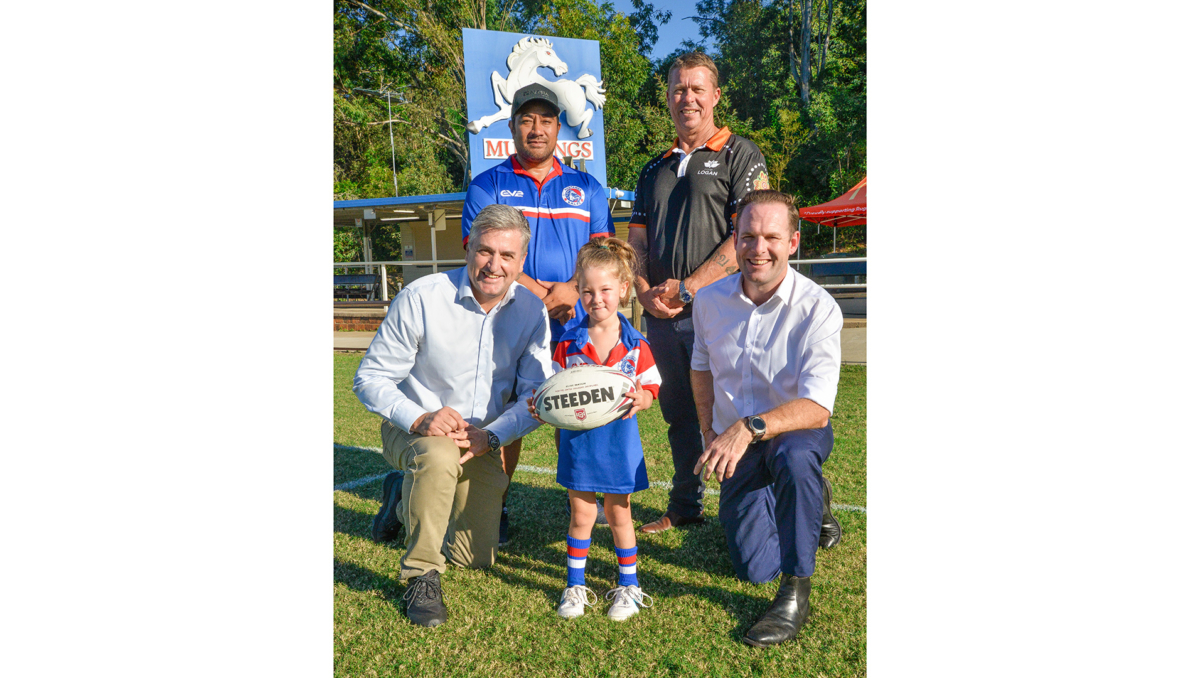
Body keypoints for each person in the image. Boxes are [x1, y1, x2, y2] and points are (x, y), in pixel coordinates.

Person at [354, 204, 552, 628]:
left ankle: (401, 499)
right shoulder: (422, 297)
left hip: (480, 441)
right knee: (439, 456)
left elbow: (536, 396)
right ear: (468, 249)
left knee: (474, 557)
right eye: (485, 251)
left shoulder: (533, 312)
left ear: (521, 262)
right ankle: (421, 575)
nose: (493, 264)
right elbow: (370, 378)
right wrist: (420, 418)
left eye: (507, 255)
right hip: (411, 431)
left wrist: (493, 435)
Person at [462, 83, 616, 543]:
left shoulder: (586, 187)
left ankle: (584, 503)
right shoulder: (487, 184)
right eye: (527, 120)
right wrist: (530, 290)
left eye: (546, 120)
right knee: (508, 414)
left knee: (578, 407)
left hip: (574, 319)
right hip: (510, 314)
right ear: (511, 127)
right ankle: (497, 504)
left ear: (558, 128)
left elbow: (603, 248)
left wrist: (572, 287)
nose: (536, 129)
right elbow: (478, 249)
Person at [626, 52, 772, 535]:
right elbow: (638, 240)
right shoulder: (654, 168)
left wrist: (689, 288)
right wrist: (644, 289)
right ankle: (686, 506)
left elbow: (749, 234)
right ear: (667, 97)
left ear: (715, 96)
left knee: (741, 409)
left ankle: (789, 500)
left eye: (695, 88)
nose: (686, 97)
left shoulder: (740, 154)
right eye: (677, 89)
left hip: (721, 309)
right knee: (680, 416)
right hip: (662, 315)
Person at [689, 190, 842, 647]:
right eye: (748, 236)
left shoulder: (818, 307)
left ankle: (796, 591)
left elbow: (817, 408)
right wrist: (709, 431)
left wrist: (749, 427)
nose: (759, 248)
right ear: (733, 240)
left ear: (793, 242)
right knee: (754, 568)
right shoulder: (710, 300)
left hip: (796, 433)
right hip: (738, 441)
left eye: (771, 237)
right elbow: (700, 367)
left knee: (794, 457)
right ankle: (814, 502)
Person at [530, 238, 661, 621]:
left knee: (620, 513)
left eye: (605, 290)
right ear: (578, 291)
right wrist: (541, 408)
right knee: (581, 514)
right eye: (586, 291)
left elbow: (652, 387)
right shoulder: (568, 342)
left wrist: (644, 399)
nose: (596, 298)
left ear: (623, 290)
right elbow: (552, 391)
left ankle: (630, 586)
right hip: (579, 444)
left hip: (619, 444)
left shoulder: (637, 344)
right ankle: (575, 586)